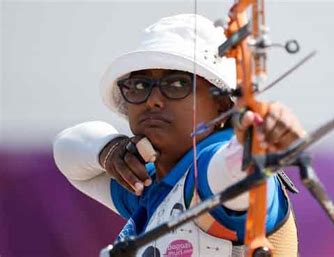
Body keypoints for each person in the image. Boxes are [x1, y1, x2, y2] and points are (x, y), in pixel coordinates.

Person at [53, 14, 304, 257]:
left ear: (223, 105)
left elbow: (232, 174)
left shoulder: (208, 166)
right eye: (140, 86)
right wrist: (109, 150)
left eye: (178, 84)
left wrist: (254, 144)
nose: (153, 100)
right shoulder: (148, 183)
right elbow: (67, 150)